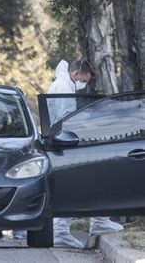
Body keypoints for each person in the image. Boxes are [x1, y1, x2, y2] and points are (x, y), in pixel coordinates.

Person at [48, 59, 123, 248]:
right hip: (68, 142)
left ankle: (95, 221)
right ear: (76, 74)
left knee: (87, 181)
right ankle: (65, 230)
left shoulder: (61, 84)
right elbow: (67, 118)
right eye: (84, 79)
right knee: (86, 181)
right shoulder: (64, 87)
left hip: (63, 141)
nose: (84, 84)